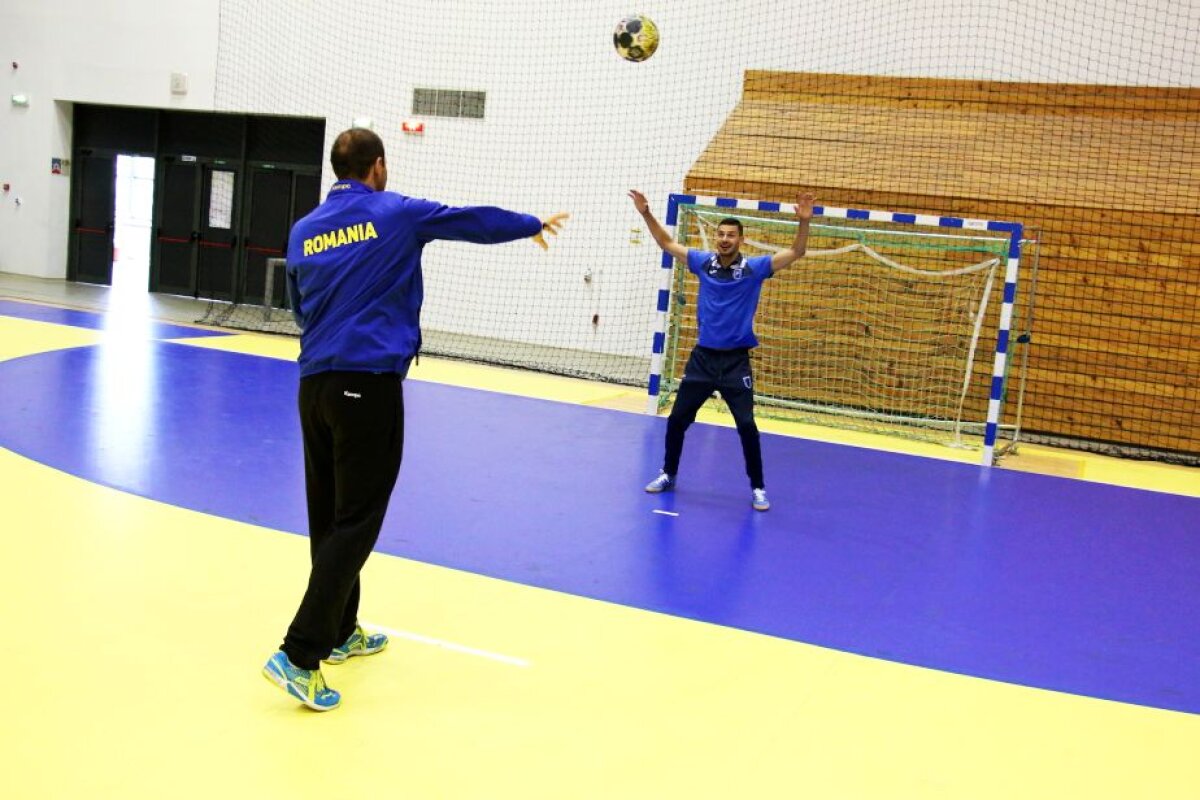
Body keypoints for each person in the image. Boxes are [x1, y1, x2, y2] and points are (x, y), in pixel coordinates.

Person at [263, 127, 568, 711]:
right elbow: (469, 220)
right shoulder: (396, 213)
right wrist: (530, 224)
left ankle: (341, 631)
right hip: (368, 385)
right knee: (357, 521)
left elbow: (300, 307)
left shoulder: (304, 230)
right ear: (377, 166)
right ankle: (299, 654)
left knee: (329, 516)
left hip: (313, 384)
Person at [629, 189, 815, 512]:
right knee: (676, 420)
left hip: (734, 363)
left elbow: (797, 251)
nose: (725, 239)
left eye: (731, 235)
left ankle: (758, 487)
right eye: (721, 234)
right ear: (716, 238)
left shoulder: (755, 268)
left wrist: (804, 223)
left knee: (746, 426)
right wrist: (646, 214)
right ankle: (668, 473)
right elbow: (666, 244)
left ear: (741, 240)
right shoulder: (703, 262)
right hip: (702, 359)